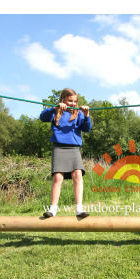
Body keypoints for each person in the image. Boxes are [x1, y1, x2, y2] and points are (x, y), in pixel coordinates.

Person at [39, 88, 91, 218]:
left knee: (77, 175)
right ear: (63, 100)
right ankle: (52, 209)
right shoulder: (56, 111)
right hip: (59, 147)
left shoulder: (78, 113)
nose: (73, 103)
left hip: (73, 148)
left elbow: (87, 128)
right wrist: (54, 108)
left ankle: (79, 209)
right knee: (58, 177)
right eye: (69, 101)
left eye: (75, 101)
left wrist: (86, 115)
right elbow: (42, 117)